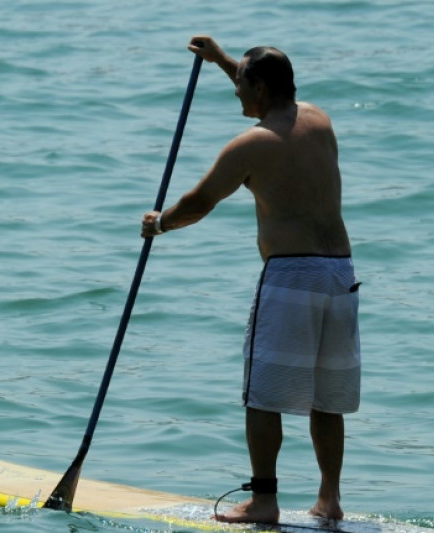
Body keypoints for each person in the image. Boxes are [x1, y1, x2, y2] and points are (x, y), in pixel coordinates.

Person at [141, 36, 361, 524]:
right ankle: (330, 500)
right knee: (327, 398)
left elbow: (198, 204)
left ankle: (263, 500)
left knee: (262, 395)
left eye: (241, 83)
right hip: (340, 274)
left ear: (258, 85)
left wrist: (159, 224)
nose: (236, 93)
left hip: (290, 276)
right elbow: (271, 107)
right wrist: (224, 61)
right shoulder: (319, 121)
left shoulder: (249, 147)